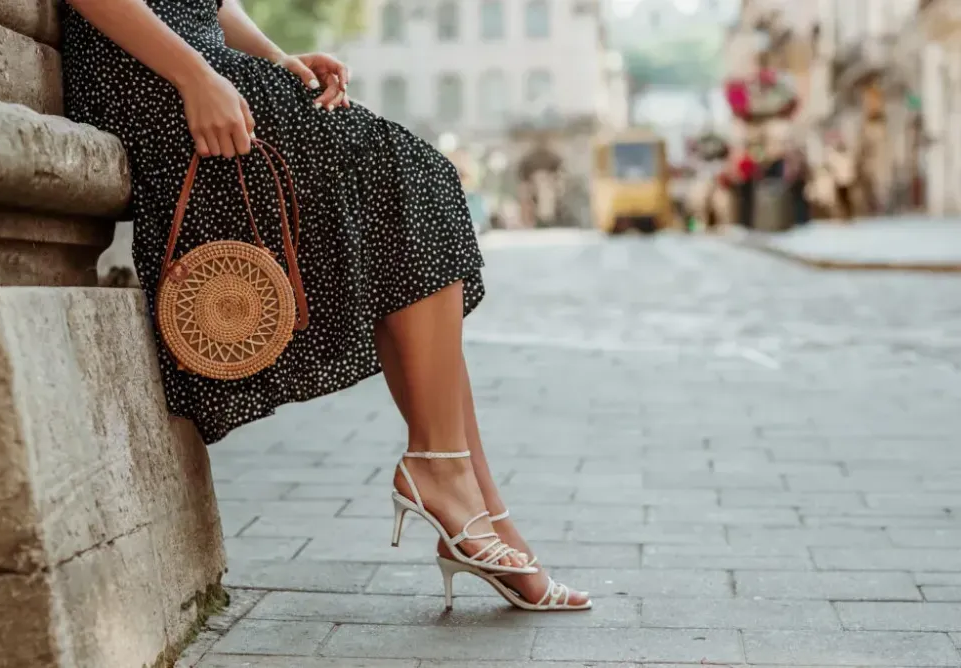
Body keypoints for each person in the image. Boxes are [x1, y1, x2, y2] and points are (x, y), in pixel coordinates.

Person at [59, 0, 589, 611]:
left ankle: (480, 508)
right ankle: (447, 481)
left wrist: (276, 59)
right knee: (405, 178)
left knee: (411, 205)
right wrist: (196, 76)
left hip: (202, 62)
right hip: (142, 72)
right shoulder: (183, 73)